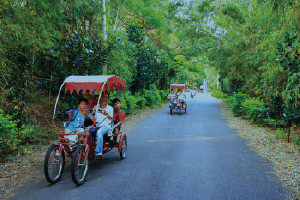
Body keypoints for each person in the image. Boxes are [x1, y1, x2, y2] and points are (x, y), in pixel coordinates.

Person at [91, 91, 113, 160]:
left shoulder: (110, 108)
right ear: (100, 98)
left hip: (106, 126)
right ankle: (89, 149)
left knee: (99, 132)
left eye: (106, 97)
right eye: (103, 97)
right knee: (86, 131)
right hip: (96, 126)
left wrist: (107, 114)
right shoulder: (96, 107)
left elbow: (111, 118)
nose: (104, 99)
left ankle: (98, 153)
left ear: (108, 99)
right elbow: (91, 115)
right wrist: (93, 111)